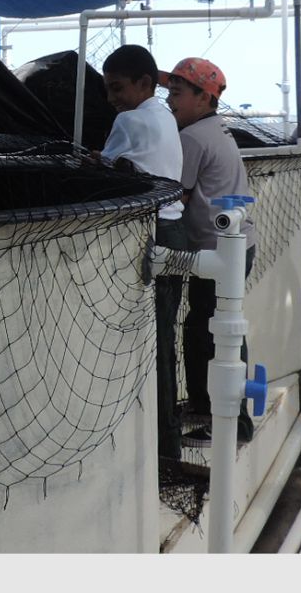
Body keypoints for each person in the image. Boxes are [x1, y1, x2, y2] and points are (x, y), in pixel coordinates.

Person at [161, 56, 256, 447]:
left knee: (217, 333)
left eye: (177, 93)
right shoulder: (217, 129)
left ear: (204, 98)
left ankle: (233, 421)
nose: (170, 101)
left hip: (218, 251)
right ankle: (207, 407)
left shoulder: (192, 138)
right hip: (234, 246)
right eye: (169, 93)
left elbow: (175, 197)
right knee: (209, 328)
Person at [97, 45, 187, 458]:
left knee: (154, 344)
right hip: (175, 231)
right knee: (164, 338)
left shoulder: (129, 120)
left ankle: (163, 443)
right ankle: (167, 437)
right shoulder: (165, 116)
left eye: (117, 88)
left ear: (144, 83)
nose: (111, 98)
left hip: (153, 235)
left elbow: (104, 170)